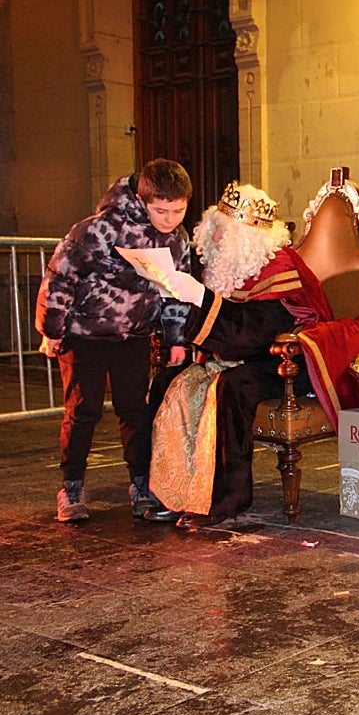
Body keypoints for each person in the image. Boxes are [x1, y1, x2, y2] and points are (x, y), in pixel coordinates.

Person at [141, 181, 334, 528]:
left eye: (222, 233)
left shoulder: (278, 267)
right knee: (170, 382)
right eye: (213, 229)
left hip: (288, 359)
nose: (213, 240)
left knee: (228, 389)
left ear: (247, 238)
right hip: (243, 355)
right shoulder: (229, 267)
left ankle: (222, 501)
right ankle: (172, 493)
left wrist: (200, 298)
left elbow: (254, 333)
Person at [35, 159, 193, 523]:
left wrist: (176, 339)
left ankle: (140, 484)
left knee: (134, 410)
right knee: (83, 410)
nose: (169, 219)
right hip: (85, 334)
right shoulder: (99, 230)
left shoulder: (177, 241)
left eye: (178, 210)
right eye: (160, 210)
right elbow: (60, 279)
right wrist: (52, 330)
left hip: (134, 335)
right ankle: (71, 486)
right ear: (141, 199)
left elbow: (175, 293)